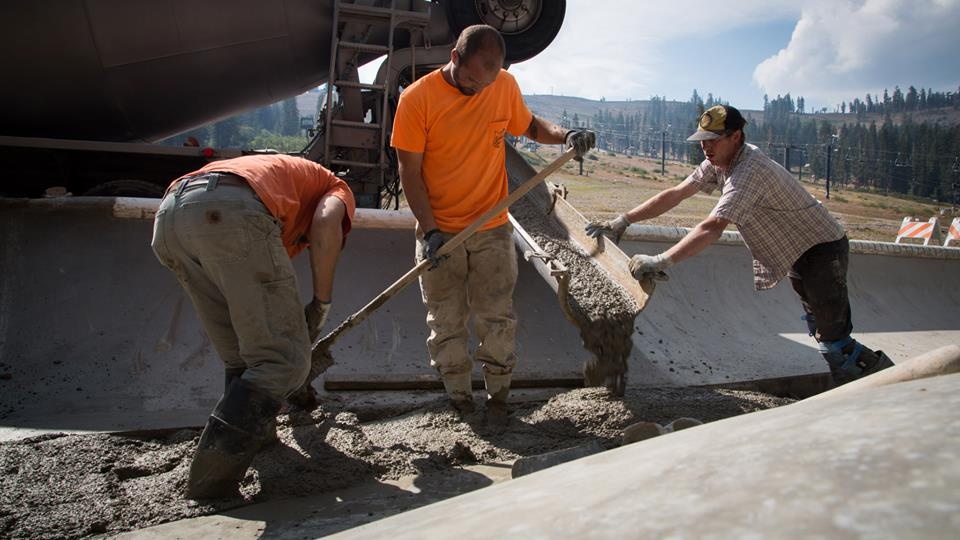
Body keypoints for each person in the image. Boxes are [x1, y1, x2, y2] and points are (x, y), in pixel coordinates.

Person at [585, 104, 893, 387]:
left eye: (713, 140)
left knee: (833, 334)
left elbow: (713, 227)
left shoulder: (749, 172)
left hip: (821, 248)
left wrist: (661, 260)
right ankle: (858, 380)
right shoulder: (718, 161)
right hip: (796, 250)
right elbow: (677, 193)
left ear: (736, 137)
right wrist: (624, 219)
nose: (705, 147)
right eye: (703, 140)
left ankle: (882, 380)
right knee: (820, 326)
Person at [390, 24, 595, 425]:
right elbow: (409, 173)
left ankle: (498, 399)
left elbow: (531, 127)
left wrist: (565, 135)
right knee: (446, 320)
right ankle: (460, 401)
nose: (479, 90)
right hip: (440, 231)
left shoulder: (501, 85)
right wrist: (430, 230)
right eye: (470, 81)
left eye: (487, 83)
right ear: (454, 57)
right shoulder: (418, 100)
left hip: (492, 229)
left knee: (497, 316)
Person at [151, 154, 356, 498]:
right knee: (283, 361)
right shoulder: (336, 187)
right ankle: (211, 481)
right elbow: (324, 224)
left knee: (243, 355)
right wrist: (321, 304)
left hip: (172, 217)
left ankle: (261, 438)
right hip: (230, 211)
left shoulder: (284, 180)